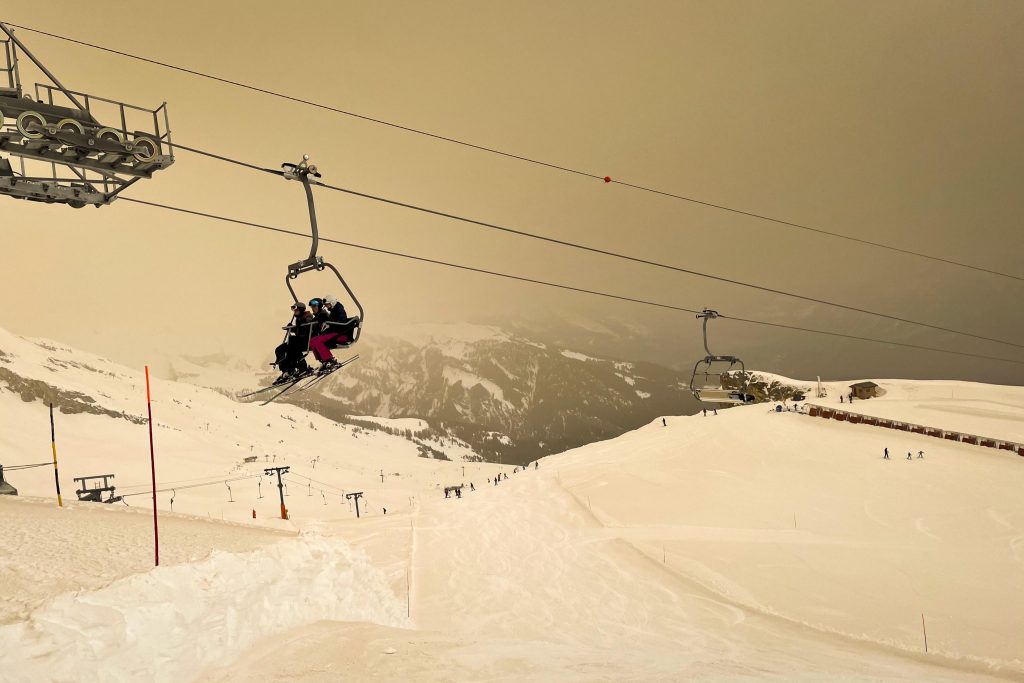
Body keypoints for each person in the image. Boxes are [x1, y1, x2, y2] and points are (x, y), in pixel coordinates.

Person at [309, 294, 353, 370]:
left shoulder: (339, 309)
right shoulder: (333, 311)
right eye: (326, 305)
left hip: (340, 333)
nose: (327, 307)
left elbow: (341, 321)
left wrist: (330, 324)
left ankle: (330, 360)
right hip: (334, 332)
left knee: (317, 341)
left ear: (332, 303)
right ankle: (323, 361)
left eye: (328, 305)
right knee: (312, 341)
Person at [272, 302, 314, 381]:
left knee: (292, 346)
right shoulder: (298, 319)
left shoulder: (307, 316)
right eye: (294, 311)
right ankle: (286, 370)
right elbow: (299, 331)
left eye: (296, 311)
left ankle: (302, 367)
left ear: (301, 310)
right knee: (279, 349)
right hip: (299, 340)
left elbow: (308, 326)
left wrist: (300, 324)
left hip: (307, 340)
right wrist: (292, 328)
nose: (294, 312)